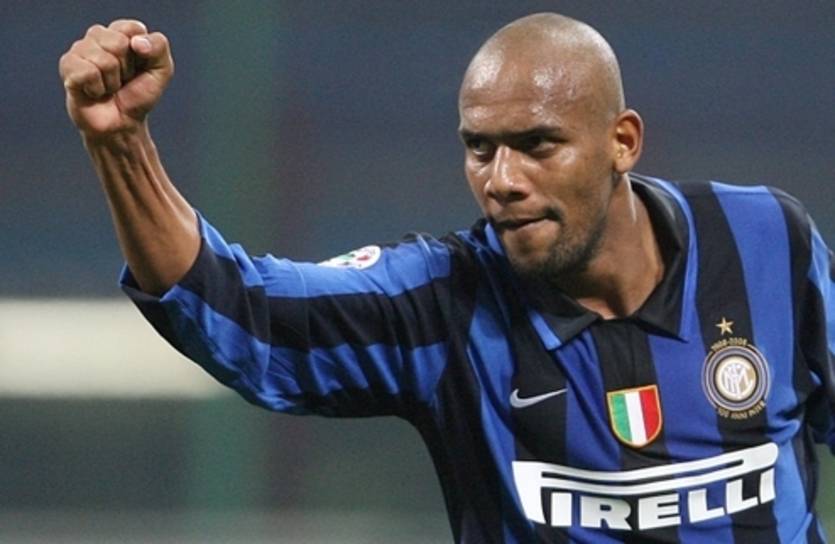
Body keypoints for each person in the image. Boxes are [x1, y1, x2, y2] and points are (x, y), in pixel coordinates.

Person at [60, 12, 833, 543]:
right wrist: (120, 143)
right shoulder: (444, 300)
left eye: (537, 145)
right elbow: (238, 307)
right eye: (479, 148)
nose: (501, 180)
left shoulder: (765, 240)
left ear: (621, 141)